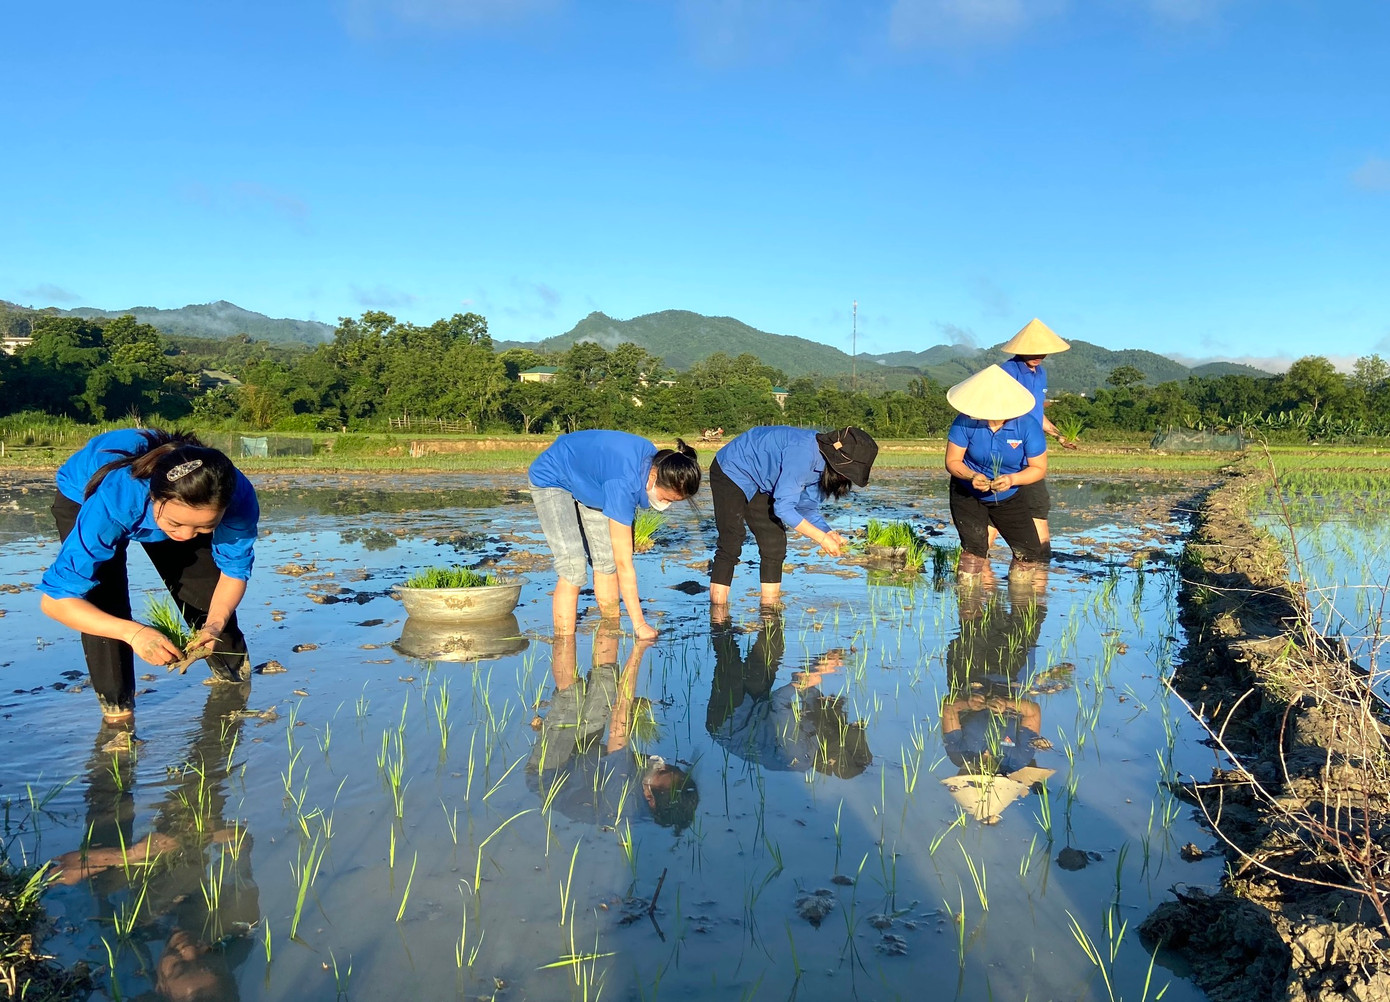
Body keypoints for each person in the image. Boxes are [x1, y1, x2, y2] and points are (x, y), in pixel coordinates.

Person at [38, 429, 260, 724]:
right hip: (85, 493)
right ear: (154, 497)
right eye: (175, 524)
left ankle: (235, 686)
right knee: (104, 603)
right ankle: (119, 719)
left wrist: (215, 624)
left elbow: (233, 570)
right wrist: (134, 633)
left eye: (204, 528)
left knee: (208, 595)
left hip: (178, 503)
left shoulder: (235, 497)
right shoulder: (115, 500)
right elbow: (56, 600)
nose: (183, 537)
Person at [528, 430, 701, 637]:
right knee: (572, 567)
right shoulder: (624, 482)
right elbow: (624, 563)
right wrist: (639, 625)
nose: (666, 505)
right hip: (553, 476)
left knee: (606, 561)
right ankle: (564, 645)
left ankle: (609, 636)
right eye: (668, 499)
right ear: (653, 477)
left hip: (593, 483)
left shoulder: (661, 463)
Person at [527, 628, 699, 832]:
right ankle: (608, 617)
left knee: (570, 699)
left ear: (650, 797)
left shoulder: (621, 792)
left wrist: (638, 651)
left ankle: (564, 630)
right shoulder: (658, 793)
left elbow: (619, 723)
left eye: (667, 771)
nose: (670, 765)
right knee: (607, 681)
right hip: (587, 766)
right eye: (676, 769)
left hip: (551, 775)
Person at [708, 425, 878, 607]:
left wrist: (828, 532)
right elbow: (784, 508)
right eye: (847, 475)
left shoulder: (822, 467)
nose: (846, 481)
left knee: (774, 543)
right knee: (731, 541)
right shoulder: (803, 456)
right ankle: (719, 618)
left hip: (764, 480)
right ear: (837, 466)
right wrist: (821, 539)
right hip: (733, 468)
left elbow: (807, 508)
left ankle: (769, 610)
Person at [939, 570, 1055, 824]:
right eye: (987, 778)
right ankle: (1025, 580)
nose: (982, 771)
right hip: (1014, 680)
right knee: (1026, 616)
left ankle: (982, 570)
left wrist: (967, 704)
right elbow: (1033, 712)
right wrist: (1007, 705)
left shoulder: (959, 753)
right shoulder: (1017, 758)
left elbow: (948, 710)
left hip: (974, 674)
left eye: (977, 777)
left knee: (974, 615)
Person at [706, 607, 873, 780]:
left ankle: (718, 615)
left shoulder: (798, 754)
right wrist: (820, 667)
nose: (846, 723)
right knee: (774, 644)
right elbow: (804, 686)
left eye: (846, 729)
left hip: (729, 723)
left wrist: (802, 681)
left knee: (729, 659)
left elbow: (779, 701)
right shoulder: (825, 732)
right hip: (755, 709)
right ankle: (767, 609)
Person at [944, 365, 1049, 577]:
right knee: (974, 551)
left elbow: (1038, 468)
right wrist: (971, 475)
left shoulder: (1027, 425)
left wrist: (1012, 479)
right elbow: (953, 461)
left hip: (1009, 493)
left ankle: (1021, 604)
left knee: (1028, 553)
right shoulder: (966, 421)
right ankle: (968, 604)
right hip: (968, 491)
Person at [998, 318, 1076, 553]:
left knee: (1038, 507)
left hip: (1032, 451)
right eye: (1032, 350)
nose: (1037, 355)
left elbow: (1037, 413)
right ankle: (982, 566)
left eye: (1042, 351)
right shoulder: (1006, 372)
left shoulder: (1041, 374)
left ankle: (1041, 562)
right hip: (1007, 447)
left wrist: (1060, 436)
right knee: (996, 507)